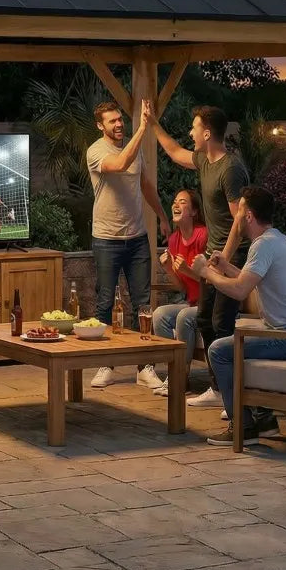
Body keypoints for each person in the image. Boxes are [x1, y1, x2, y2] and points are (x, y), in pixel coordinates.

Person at [192, 186, 286, 446]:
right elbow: (248, 279)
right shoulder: (276, 238)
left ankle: (243, 426)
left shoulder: (263, 246)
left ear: (248, 216)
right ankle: (264, 421)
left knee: (218, 350)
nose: (235, 218)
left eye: (238, 212)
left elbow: (239, 291)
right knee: (238, 343)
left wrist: (206, 273)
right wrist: (225, 266)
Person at [148, 105, 249, 408]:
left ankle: (233, 394)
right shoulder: (205, 160)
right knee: (205, 319)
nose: (190, 133)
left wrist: (222, 261)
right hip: (213, 258)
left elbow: (240, 221)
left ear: (207, 133)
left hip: (232, 260)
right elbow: (175, 152)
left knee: (220, 323)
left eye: (194, 128)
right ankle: (218, 390)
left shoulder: (230, 169)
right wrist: (153, 124)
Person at [86, 99, 171, 389]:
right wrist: (144, 127)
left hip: (137, 238)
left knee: (142, 305)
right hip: (106, 239)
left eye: (120, 119)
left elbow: (146, 185)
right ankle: (104, 363)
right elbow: (120, 164)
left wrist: (161, 216)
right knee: (105, 302)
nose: (119, 124)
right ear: (100, 125)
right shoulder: (96, 151)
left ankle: (144, 367)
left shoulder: (136, 150)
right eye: (112, 121)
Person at [151, 189, 208, 398]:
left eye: (182, 202)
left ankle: (181, 379)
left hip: (210, 302)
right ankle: (173, 374)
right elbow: (182, 287)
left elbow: (212, 281)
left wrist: (188, 271)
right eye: (174, 201)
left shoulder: (204, 235)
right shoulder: (174, 240)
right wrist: (168, 269)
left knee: (184, 316)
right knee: (160, 314)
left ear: (193, 211)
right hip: (192, 302)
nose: (175, 204)